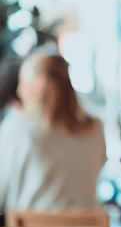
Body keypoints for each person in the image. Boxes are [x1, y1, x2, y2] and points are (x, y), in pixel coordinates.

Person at [0, 46, 106, 212]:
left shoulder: (17, 128)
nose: (20, 90)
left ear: (40, 81)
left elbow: (2, 192)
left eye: (23, 82)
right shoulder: (96, 127)